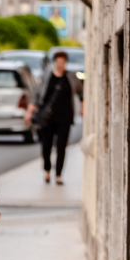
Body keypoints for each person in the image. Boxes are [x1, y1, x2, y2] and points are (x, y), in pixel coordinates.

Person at [27, 50, 83, 185]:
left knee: (61, 147)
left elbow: (81, 92)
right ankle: (47, 170)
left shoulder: (71, 76)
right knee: (46, 146)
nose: (60, 65)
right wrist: (30, 111)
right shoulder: (46, 76)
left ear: (66, 63)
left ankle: (58, 174)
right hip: (48, 118)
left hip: (65, 117)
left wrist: (82, 106)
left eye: (62, 62)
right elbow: (37, 93)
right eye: (58, 62)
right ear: (54, 62)